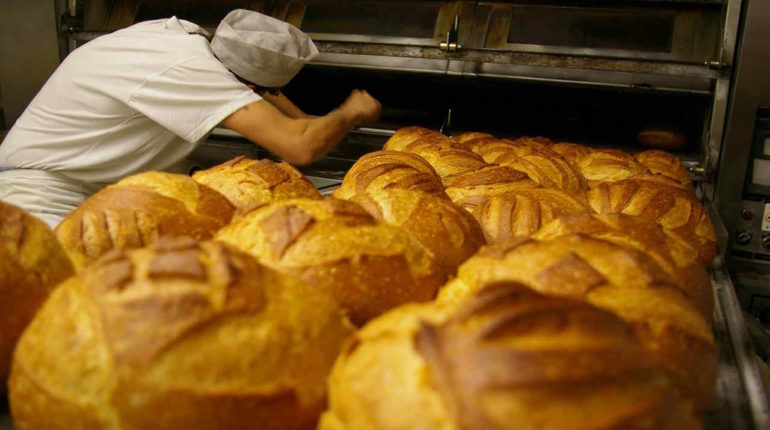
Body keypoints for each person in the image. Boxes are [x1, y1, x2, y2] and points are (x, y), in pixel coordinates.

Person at [0, 9, 381, 228]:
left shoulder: (183, 39)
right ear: (246, 84)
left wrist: (324, 120)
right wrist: (351, 112)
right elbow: (299, 144)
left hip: (85, 192)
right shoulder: (190, 71)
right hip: (38, 198)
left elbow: (281, 105)